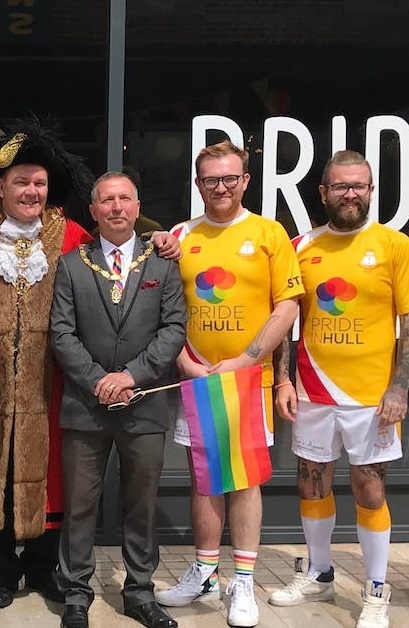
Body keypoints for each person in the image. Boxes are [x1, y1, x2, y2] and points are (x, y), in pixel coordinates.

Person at [0, 125, 182, 608]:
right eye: (21, 182)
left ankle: (42, 567)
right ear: (2, 185)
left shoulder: (70, 234)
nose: (31, 192)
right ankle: (1, 571)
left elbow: (118, 244)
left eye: (39, 183)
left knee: (53, 480)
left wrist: (158, 237)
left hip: (53, 383)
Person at [156, 140, 303, 628]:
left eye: (229, 178)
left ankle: (242, 580)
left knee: (243, 480)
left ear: (245, 181)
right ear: (198, 184)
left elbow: (287, 307)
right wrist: (184, 363)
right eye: (210, 179)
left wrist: (247, 360)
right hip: (197, 375)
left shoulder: (269, 233)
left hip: (249, 381)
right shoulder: (181, 235)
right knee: (204, 476)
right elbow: (163, 310)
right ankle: (203, 571)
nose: (220, 187)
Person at [267, 150, 408, 628]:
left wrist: (400, 387)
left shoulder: (394, 245)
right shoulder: (300, 246)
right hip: (312, 391)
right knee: (312, 482)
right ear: (324, 192)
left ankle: (376, 589)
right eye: (342, 186)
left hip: (371, 397)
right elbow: (285, 319)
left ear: (371, 191)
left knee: (369, 489)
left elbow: (407, 322)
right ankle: (319, 572)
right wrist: (283, 378)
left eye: (359, 186)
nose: (351, 194)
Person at [49, 172, 185, 628]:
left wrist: (130, 376)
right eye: (107, 200)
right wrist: (99, 381)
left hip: (143, 404)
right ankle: (76, 593)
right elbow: (61, 333)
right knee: (79, 504)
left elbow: (173, 329)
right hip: (85, 406)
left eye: (125, 198)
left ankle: (140, 592)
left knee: (141, 504)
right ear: (94, 210)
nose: (116, 207)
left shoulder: (162, 263)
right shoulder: (72, 264)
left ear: (137, 206)